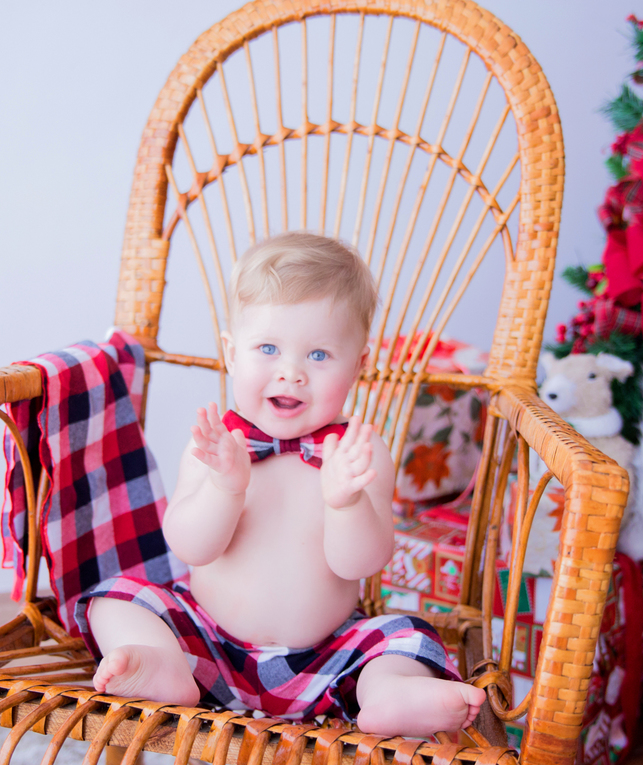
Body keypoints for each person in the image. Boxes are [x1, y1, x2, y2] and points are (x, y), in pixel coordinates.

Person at [76, 231, 484, 736]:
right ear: (231, 353)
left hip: (329, 657)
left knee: (406, 636)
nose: (291, 373)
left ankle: (389, 693)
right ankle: (163, 666)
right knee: (113, 598)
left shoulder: (357, 451)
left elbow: (362, 563)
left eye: (318, 355)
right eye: (268, 348)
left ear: (359, 365)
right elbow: (189, 546)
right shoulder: (218, 444)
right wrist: (224, 487)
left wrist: (345, 501)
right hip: (207, 644)